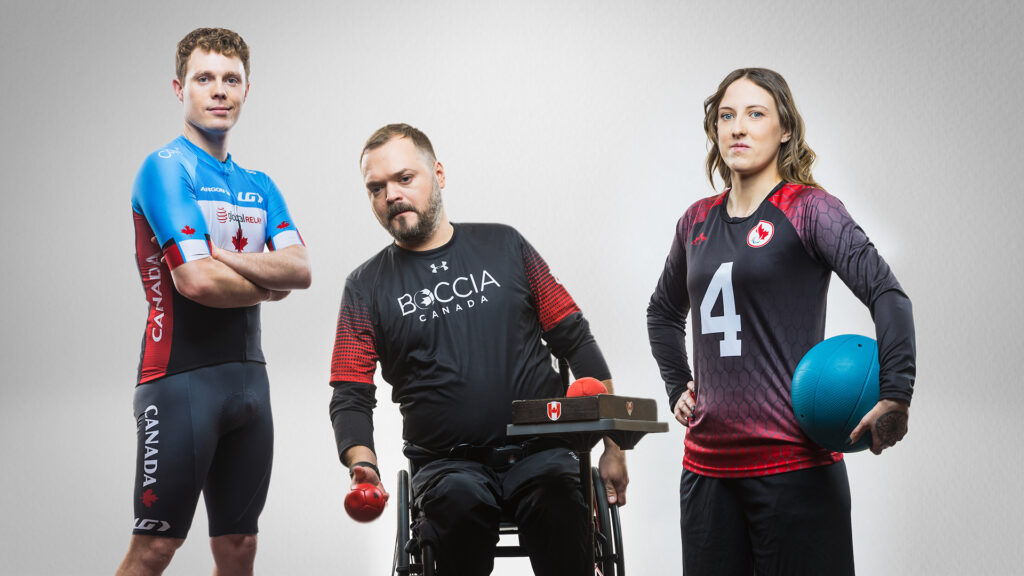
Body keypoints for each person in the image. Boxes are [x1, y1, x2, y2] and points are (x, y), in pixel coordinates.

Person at [646, 68, 916, 575]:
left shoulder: (810, 209)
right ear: (715, 129)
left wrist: (896, 394)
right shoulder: (695, 221)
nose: (738, 128)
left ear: (785, 128)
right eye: (727, 116)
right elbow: (662, 312)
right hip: (707, 472)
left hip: (794, 468)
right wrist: (677, 383)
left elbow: (888, 294)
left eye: (755, 114)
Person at [329, 123, 628, 575]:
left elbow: (575, 339)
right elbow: (350, 392)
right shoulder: (365, 287)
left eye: (404, 178)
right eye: (376, 188)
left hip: (543, 452)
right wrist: (362, 462)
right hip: (446, 467)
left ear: (438, 174)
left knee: (559, 500)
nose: (391, 195)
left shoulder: (505, 245)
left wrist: (613, 447)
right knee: (458, 507)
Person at [117, 28, 311, 576]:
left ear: (247, 90)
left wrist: (221, 256)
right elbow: (196, 282)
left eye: (231, 79)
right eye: (204, 78)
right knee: (155, 548)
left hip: (250, 381)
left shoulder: (259, 183)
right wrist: (267, 283)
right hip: (179, 380)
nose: (219, 90)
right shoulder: (165, 168)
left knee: (239, 545)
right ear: (180, 88)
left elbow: (300, 269)